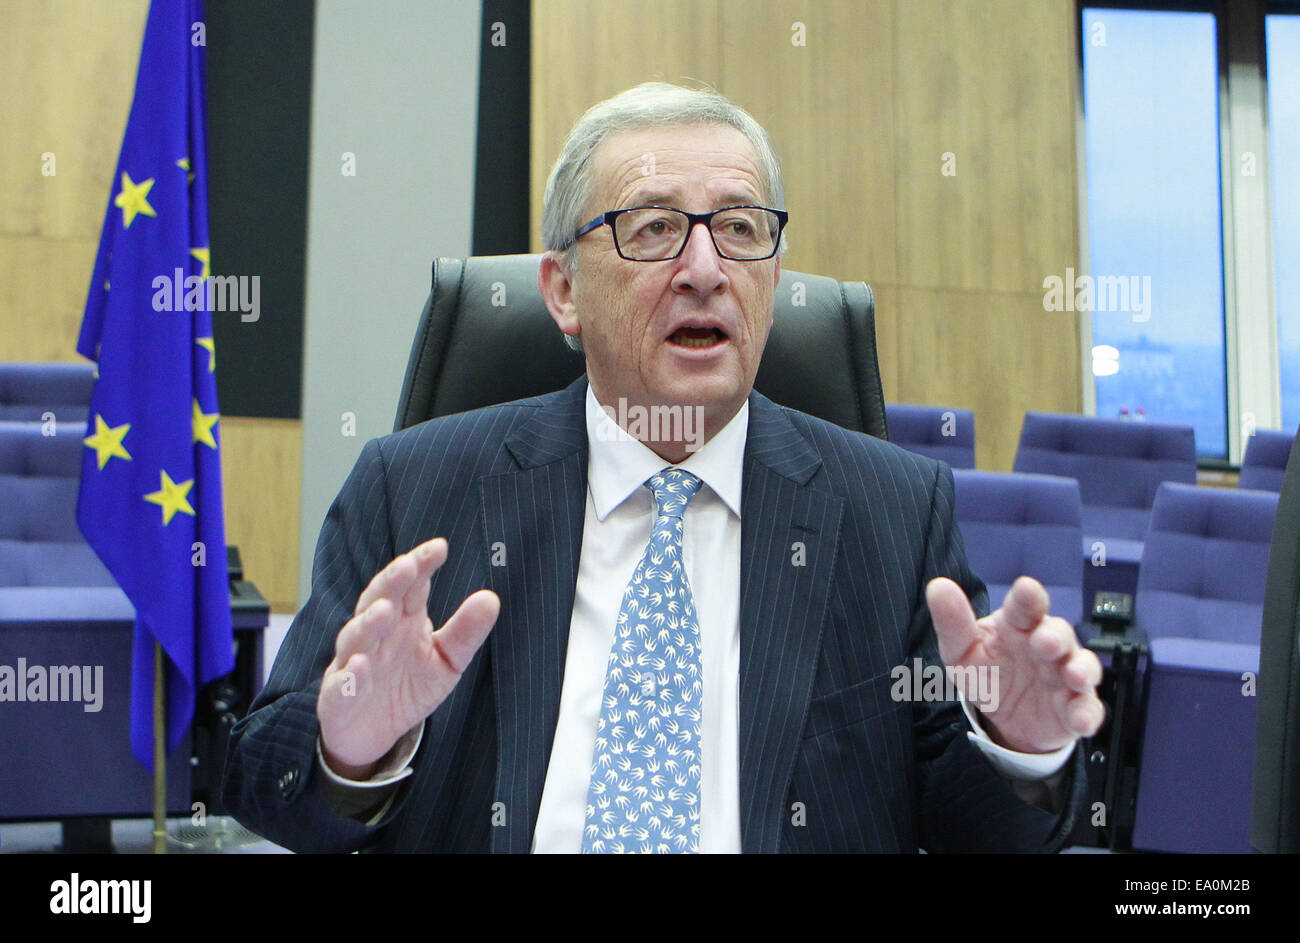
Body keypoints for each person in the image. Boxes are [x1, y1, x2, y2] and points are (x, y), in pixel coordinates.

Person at [222, 82, 1103, 853]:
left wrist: (1018, 748)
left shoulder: (894, 512)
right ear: (564, 290)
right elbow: (267, 792)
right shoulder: (414, 489)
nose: (707, 270)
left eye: (740, 228)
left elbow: (969, 830)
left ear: (774, 274)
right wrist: (354, 751)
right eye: (654, 229)